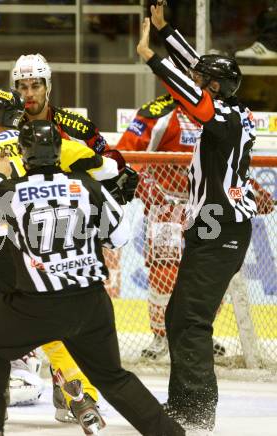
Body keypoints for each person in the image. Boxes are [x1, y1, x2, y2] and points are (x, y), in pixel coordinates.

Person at [0, 119, 185, 436]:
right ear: (58, 152)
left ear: (23, 155)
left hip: (35, 307)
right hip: (91, 304)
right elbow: (118, 238)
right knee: (112, 378)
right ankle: (171, 434)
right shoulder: (88, 187)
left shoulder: (11, 192)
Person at [0, 87, 124, 432]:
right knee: (45, 323)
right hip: (41, 249)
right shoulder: (48, 142)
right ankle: (83, 397)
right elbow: (106, 167)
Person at [137, 2, 257, 431]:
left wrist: (153, 58)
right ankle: (183, 405)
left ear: (218, 87)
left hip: (222, 230)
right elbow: (198, 71)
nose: (196, 83)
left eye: (204, 82)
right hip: (212, 228)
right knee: (177, 317)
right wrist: (166, 31)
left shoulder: (222, 116)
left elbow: (195, 97)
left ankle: (198, 411)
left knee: (191, 320)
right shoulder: (229, 106)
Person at [11, 52, 139, 417]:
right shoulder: (6, 125)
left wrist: (120, 177)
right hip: (24, 235)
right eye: (22, 86)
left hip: (71, 234)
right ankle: (18, 369)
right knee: (19, 304)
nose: (28, 93)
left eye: (35, 85)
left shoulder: (73, 124)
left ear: (48, 87)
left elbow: (110, 156)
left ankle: (69, 388)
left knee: (73, 309)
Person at [116, 94, 227, 360]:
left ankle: (200, 334)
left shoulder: (221, 113)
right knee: (163, 273)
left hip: (206, 208)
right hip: (166, 205)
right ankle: (160, 337)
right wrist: (147, 189)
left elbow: (234, 163)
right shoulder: (160, 112)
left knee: (209, 273)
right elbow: (127, 156)